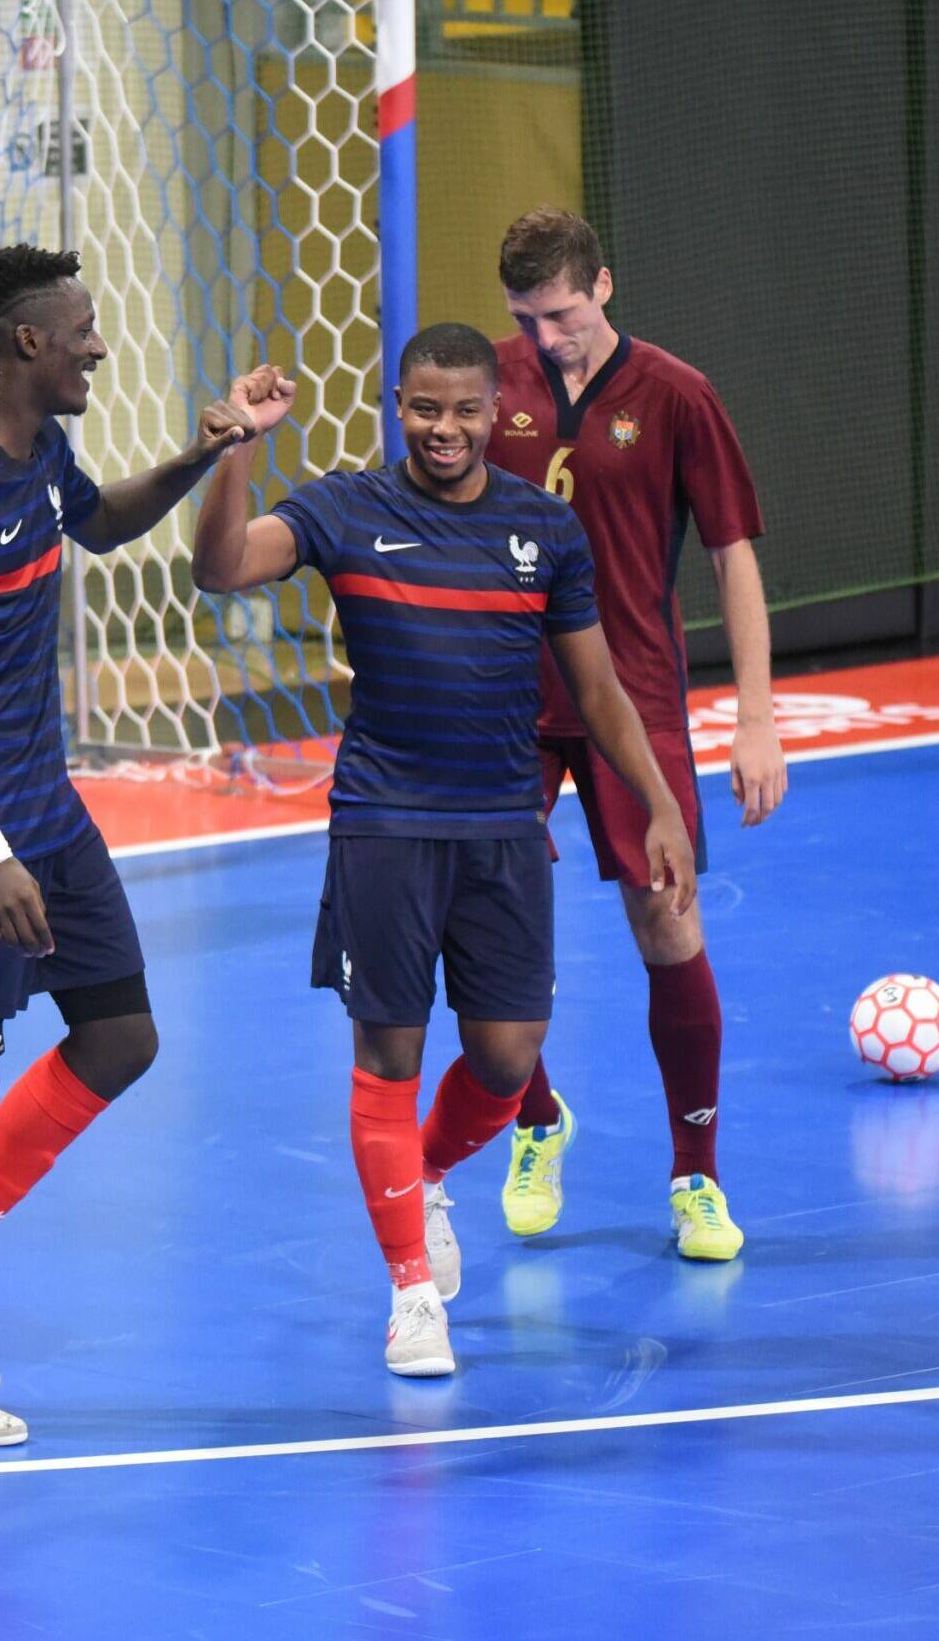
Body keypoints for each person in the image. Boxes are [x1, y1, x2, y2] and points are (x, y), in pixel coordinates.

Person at [193, 322, 693, 1375]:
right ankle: (412, 1291)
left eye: (465, 409)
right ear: (396, 404)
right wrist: (236, 446)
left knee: (508, 1060)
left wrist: (655, 801)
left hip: (505, 828)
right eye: (424, 407)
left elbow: (598, 689)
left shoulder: (543, 529)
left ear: (491, 413)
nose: (445, 428)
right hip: (383, 822)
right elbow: (223, 567)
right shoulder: (343, 508)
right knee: (389, 1055)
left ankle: (414, 1179)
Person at [0, 245, 267, 1444]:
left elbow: (100, 524)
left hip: (45, 806)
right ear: (27, 342)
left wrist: (204, 452)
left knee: (120, 1031)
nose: (96, 343)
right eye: (80, 328)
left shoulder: (39, 454)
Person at [483, 208, 780, 1261]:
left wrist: (755, 718)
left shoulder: (676, 394)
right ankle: (535, 1120)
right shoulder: (495, 385)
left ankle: (694, 1173)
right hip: (507, 693)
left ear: (602, 285)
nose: (546, 338)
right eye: (526, 319)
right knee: (475, 920)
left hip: (633, 693)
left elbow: (733, 555)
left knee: (666, 921)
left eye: (560, 314)